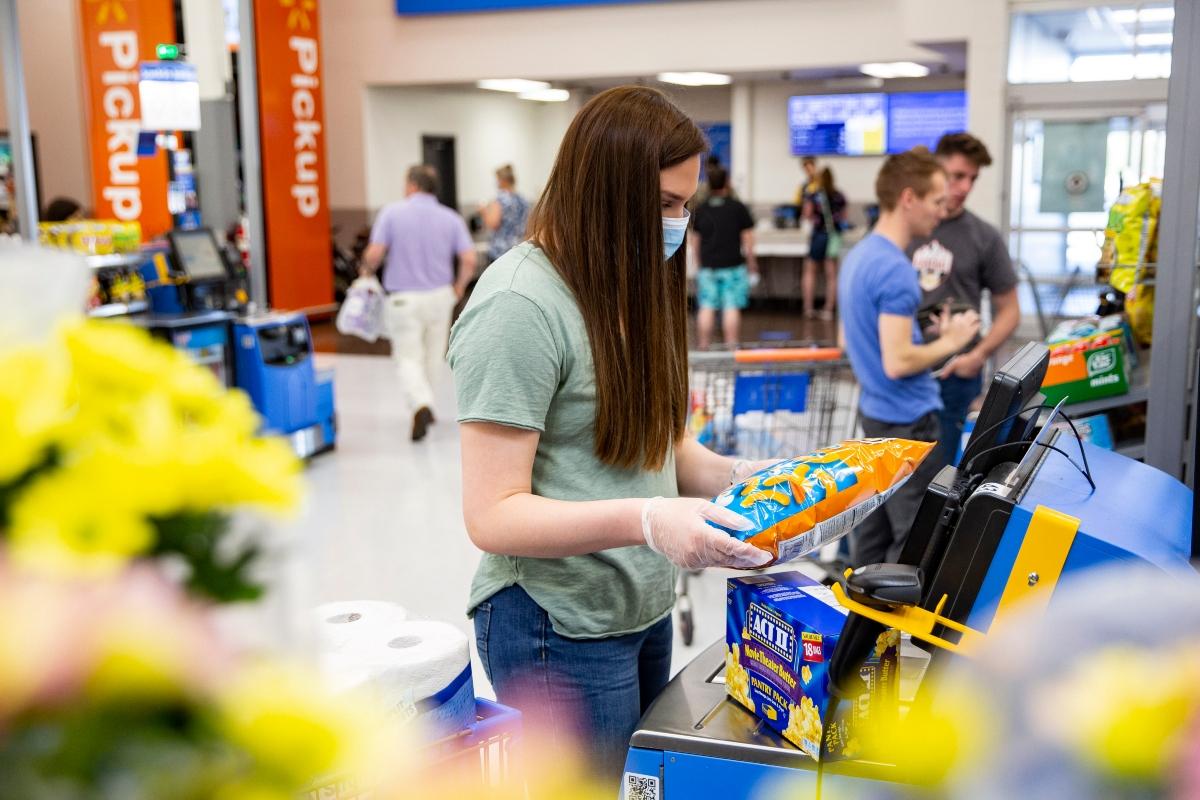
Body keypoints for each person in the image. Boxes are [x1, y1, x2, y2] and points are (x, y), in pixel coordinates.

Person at [447, 86, 773, 782]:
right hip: (553, 623)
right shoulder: (518, 306)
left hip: (638, 602)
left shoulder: (630, 283)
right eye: (661, 204)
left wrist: (747, 479)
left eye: (684, 204)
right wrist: (648, 520)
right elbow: (491, 514)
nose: (677, 223)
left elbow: (660, 445)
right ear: (602, 189)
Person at [838, 148, 980, 567]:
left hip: (877, 418)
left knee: (873, 536)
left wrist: (923, 332)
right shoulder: (896, 269)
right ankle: (895, 632)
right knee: (914, 543)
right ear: (908, 198)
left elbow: (865, 338)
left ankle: (859, 629)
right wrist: (952, 341)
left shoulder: (860, 257)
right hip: (909, 423)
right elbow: (897, 361)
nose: (942, 211)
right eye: (937, 201)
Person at [908, 132, 1020, 467]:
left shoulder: (983, 236)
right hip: (905, 371)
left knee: (938, 475)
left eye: (972, 178)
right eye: (957, 176)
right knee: (894, 479)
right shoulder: (906, 228)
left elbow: (1010, 310)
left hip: (955, 375)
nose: (965, 187)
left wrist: (978, 355)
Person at [360, 164, 477, 442]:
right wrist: (459, 287)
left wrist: (364, 272)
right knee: (432, 355)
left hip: (403, 300)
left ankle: (420, 403)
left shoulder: (392, 213)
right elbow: (470, 259)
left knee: (407, 357)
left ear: (412, 185)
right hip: (440, 297)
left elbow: (375, 254)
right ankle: (429, 404)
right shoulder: (451, 218)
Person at [690, 166, 758, 348]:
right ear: (727, 182)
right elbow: (748, 240)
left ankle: (703, 348)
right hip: (733, 266)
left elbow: (695, 241)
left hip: (708, 267)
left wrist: (699, 264)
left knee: (706, 307)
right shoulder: (737, 208)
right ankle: (731, 348)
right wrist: (752, 265)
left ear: (709, 185)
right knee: (731, 306)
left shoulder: (701, 210)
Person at [802, 166, 847, 320]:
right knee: (832, 275)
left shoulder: (814, 195)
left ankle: (808, 308)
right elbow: (844, 216)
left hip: (819, 235)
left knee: (810, 271)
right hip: (833, 236)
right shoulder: (839, 196)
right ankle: (829, 309)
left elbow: (807, 214)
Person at [480, 164, 530, 263]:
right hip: (518, 250)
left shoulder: (501, 199)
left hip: (500, 252)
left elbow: (493, 223)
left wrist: (483, 212)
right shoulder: (522, 200)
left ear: (502, 180)